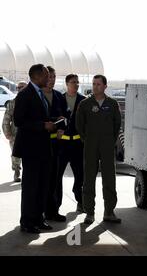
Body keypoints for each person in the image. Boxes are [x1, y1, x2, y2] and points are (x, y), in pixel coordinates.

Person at [13, 64, 56, 233]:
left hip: (43, 149)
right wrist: (42, 125)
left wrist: (54, 120)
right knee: (31, 187)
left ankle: (39, 219)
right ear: (37, 76)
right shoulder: (25, 95)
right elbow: (19, 121)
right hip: (31, 150)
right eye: (46, 76)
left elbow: (40, 117)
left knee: (42, 186)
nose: (49, 78)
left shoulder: (40, 94)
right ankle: (27, 222)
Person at [76, 75, 122, 224]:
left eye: (98, 84)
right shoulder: (85, 104)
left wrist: (109, 140)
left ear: (105, 86)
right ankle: (89, 212)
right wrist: (87, 139)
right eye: (93, 84)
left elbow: (117, 124)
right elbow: (79, 125)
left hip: (107, 146)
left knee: (109, 178)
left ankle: (109, 211)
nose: (95, 86)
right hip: (90, 145)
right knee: (89, 178)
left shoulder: (112, 104)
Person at [55, 74, 85, 214]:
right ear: (67, 84)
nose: (76, 84)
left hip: (77, 145)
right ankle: (56, 205)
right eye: (73, 82)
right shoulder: (59, 99)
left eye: (77, 82)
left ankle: (80, 200)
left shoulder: (83, 101)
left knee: (80, 175)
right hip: (62, 145)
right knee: (57, 175)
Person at [42, 66, 67, 222]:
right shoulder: (37, 95)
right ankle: (40, 212)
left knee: (55, 179)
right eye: (49, 76)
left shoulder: (58, 96)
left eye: (54, 76)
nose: (52, 79)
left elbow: (65, 116)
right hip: (40, 143)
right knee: (41, 180)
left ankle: (53, 211)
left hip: (56, 144)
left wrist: (62, 128)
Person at [2, 81, 27, 182]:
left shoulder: (31, 102)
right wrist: (7, 133)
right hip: (15, 134)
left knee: (28, 155)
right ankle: (16, 171)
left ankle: (27, 173)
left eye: (22, 87)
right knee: (15, 154)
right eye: (18, 87)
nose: (20, 89)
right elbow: (6, 120)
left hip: (29, 134)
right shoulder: (12, 103)